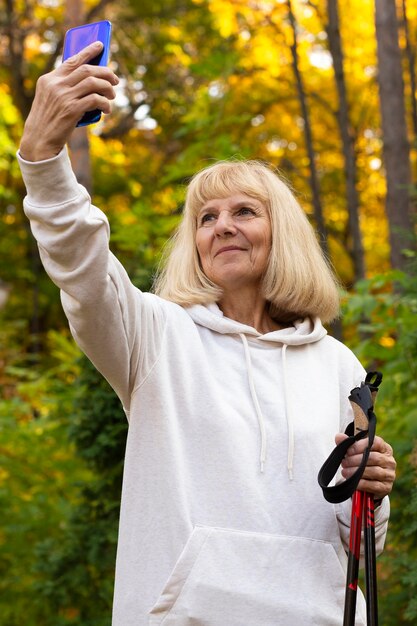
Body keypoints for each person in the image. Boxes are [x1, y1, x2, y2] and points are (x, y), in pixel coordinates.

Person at [18, 42, 396, 626]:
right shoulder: (154, 334)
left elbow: (361, 545)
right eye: (206, 217)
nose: (222, 227)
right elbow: (82, 271)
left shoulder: (339, 364)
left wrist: (370, 485)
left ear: (281, 234)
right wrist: (45, 159)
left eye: (244, 211)